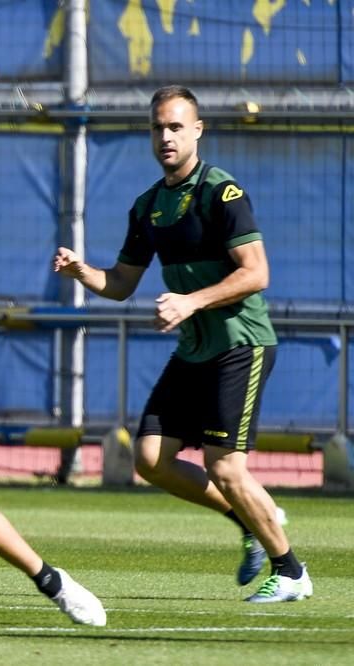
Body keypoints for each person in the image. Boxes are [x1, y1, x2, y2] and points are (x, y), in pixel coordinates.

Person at [53, 85, 311, 603]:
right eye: (157, 127)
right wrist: (83, 271)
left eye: (175, 126)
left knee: (225, 466)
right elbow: (120, 284)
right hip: (196, 350)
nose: (166, 136)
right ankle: (249, 518)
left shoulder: (222, 192)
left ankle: (291, 571)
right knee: (150, 458)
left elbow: (256, 273)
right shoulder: (148, 205)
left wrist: (191, 302)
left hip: (240, 343)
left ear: (197, 130)